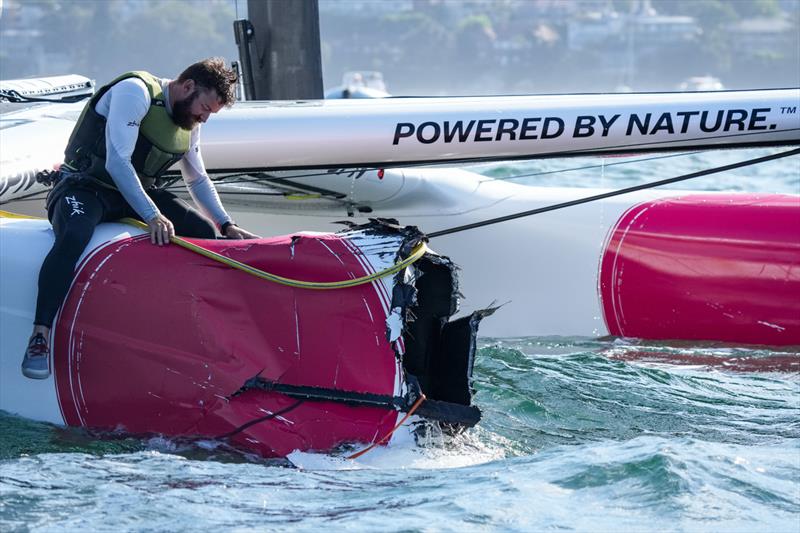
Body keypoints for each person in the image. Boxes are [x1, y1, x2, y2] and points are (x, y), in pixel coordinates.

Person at [21, 57, 258, 379]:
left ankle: (213, 328)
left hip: (132, 195)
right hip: (86, 188)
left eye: (209, 114)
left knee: (202, 231)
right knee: (75, 232)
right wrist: (152, 215)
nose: (203, 117)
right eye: (204, 107)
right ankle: (40, 335)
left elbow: (197, 179)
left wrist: (225, 224)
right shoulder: (135, 92)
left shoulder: (190, 121)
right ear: (187, 86)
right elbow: (118, 161)